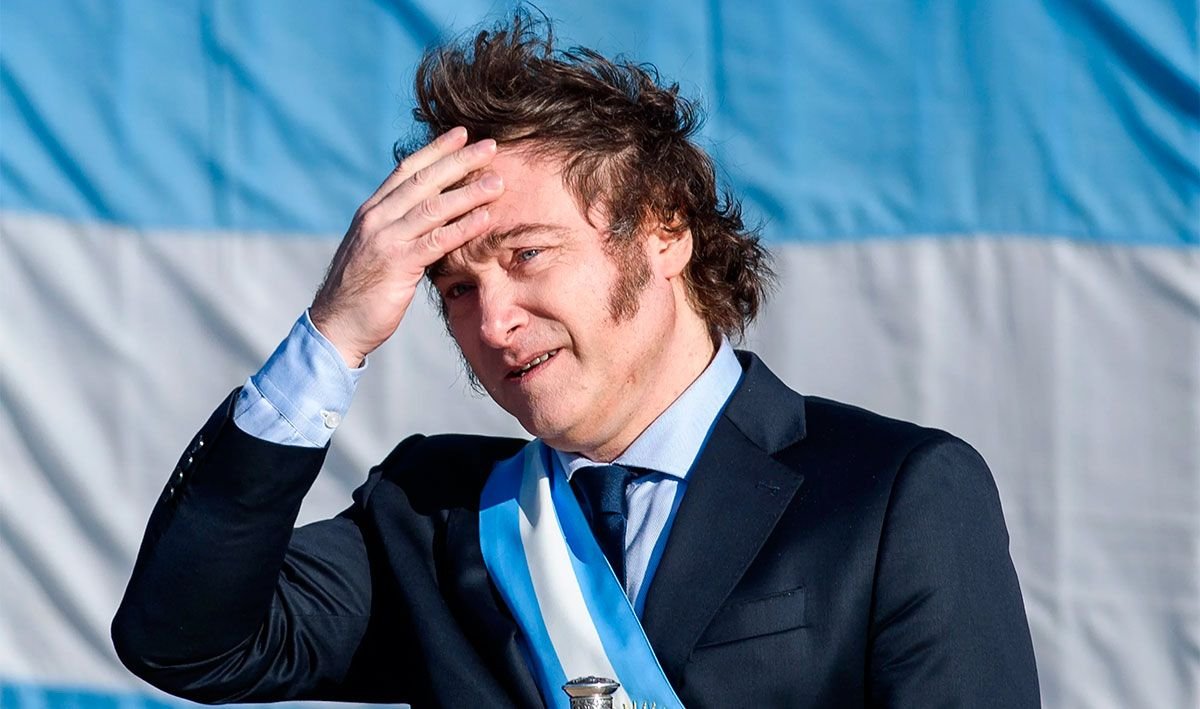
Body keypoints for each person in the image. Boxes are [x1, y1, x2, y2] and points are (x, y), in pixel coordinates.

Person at [112, 12, 1039, 708]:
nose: (493, 320)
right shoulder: (431, 516)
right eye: (455, 288)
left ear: (664, 232)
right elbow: (186, 643)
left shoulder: (895, 492)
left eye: (526, 254)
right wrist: (335, 331)